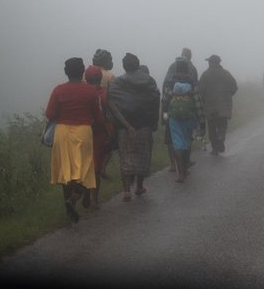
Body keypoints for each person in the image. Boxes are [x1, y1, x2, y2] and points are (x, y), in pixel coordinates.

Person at [45, 57, 104, 223]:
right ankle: (73, 198)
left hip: (62, 133)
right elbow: (98, 118)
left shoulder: (58, 90)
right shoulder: (90, 91)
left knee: (67, 171)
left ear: (66, 72)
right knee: (85, 169)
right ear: (83, 72)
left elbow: (50, 114)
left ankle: (68, 208)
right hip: (83, 132)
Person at [108, 53, 161, 201]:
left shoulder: (118, 83)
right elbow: (155, 99)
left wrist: (124, 124)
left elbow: (112, 104)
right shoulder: (149, 81)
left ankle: (126, 191)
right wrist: (154, 122)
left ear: (124, 66)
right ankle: (139, 186)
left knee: (125, 157)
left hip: (124, 127)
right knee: (143, 156)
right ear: (138, 65)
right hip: (144, 125)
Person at [163, 60, 206, 181]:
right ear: (187, 70)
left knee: (177, 143)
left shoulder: (170, 82)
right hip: (190, 117)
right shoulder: (192, 82)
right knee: (187, 142)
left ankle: (180, 173)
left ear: (176, 70)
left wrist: (165, 116)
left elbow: (165, 100)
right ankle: (186, 169)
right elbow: (198, 103)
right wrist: (201, 121)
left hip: (174, 118)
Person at [82, 65, 116, 211]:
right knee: (96, 166)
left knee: (84, 164)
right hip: (100, 133)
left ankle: (81, 194)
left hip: (82, 132)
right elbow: (110, 112)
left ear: (86, 78)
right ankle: (94, 200)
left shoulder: (82, 93)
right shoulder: (103, 93)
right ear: (100, 78)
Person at [197, 54, 238, 155]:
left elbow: (200, 91)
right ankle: (221, 137)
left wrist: (203, 100)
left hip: (210, 106)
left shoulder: (205, 75)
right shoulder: (226, 73)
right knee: (222, 124)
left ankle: (215, 148)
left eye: (209, 62)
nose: (208, 63)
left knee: (211, 126)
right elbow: (234, 87)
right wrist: (228, 95)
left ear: (211, 63)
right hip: (224, 105)